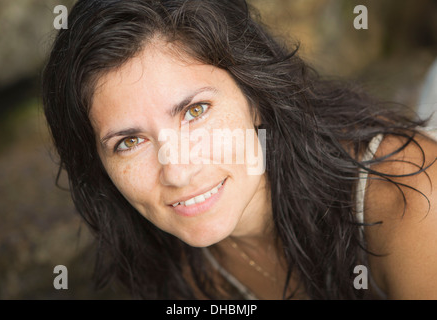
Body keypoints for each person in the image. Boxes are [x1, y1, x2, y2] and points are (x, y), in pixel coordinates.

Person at [42, 0, 437, 299]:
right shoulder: (174, 261)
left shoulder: (409, 197)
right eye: (129, 142)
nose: (178, 172)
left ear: (255, 97)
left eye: (195, 111)